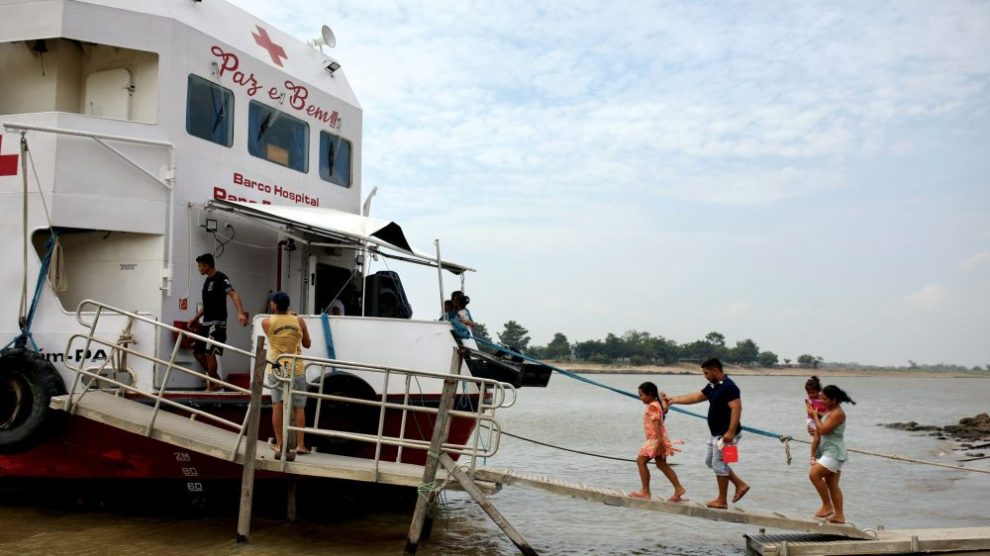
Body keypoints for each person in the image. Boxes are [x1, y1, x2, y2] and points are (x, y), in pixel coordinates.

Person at [663, 357, 749, 509]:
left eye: (706, 373)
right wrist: (673, 400)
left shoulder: (729, 387)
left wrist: (730, 432)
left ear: (716, 370)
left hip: (727, 435)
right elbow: (697, 397)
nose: (705, 376)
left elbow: (737, 408)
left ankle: (722, 501)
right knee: (711, 462)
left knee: (719, 463)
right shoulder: (713, 385)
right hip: (716, 433)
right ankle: (740, 484)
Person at [187, 253, 249, 391]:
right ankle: (216, 381)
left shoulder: (221, 278)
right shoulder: (207, 281)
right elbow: (206, 305)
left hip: (217, 323)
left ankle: (212, 384)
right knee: (198, 353)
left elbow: (233, 293)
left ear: (207, 266)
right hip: (206, 323)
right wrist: (195, 318)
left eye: (200, 266)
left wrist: (240, 312)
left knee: (210, 353)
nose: (198, 269)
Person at [262, 291, 312, 456]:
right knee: (299, 408)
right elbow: (307, 344)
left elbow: (274, 323)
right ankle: (300, 445)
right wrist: (292, 316)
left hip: (277, 367)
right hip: (295, 369)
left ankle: (280, 444)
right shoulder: (299, 320)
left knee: (277, 406)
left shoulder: (266, 322)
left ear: (275, 305)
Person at [628, 382, 686, 502]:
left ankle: (645, 491)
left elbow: (657, 424)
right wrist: (663, 400)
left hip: (655, 439)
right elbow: (664, 410)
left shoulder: (652, 406)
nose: (640, 398)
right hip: (660, 438)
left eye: (642, 395)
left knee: (640, 462)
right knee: (661, 465)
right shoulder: (657, 404)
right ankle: (678, 488)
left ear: (649, 394)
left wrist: (660, 443)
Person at [808, 384, 855, 524]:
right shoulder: (830, 412)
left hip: (834, 453)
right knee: (832, 484)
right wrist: (814, 426)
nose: (821, 402)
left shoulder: (838, 413)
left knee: (814, 475)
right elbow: (822, 428)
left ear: (834, 400)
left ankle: (827, 505)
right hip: (829, 451)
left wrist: (815, 417)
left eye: (825, 399)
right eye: (821, 399)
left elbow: (823, 430)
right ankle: (839, 516)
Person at [805, 376, 828, 466]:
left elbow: (828, 410)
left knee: (823, 437)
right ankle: (812, 456)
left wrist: (821, 415)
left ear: (819, 391)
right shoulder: (809, 400)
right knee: (816, 436)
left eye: (813, 392)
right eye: (808, 393)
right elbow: (809, 411)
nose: (810, 395)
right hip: (812, 420)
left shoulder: (823, 398)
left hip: (821, 419)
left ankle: (822, 456)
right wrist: (817, 413)